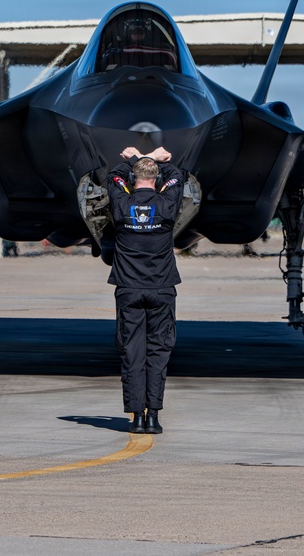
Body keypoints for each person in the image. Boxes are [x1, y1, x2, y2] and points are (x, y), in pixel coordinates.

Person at [106, 145, 183, 435]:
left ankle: (137, 416)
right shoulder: (166, 205)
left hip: (129, 290)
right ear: (157, 178)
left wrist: (137, 159)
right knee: (158, 352)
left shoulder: (121, 205)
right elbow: (176, 175)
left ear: (132, 179)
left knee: (132, 353)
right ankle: (154, 416)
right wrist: (151, 158)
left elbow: (115, 175)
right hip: (161, 290)